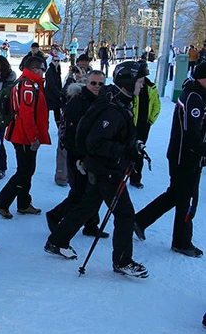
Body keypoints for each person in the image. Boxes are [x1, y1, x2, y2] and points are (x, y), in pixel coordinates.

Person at [44, 61, 149, 279]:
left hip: (103, 167)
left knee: (88, 205)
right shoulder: (113, 109)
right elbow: (96, 142)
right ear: (129, 82)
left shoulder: (119, 101)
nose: (142, 85)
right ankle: (123, 261)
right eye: (140, 81)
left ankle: (56, 240)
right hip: (107, 169)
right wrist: (124, 152)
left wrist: (131, 146)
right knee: (125, 213)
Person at [134, 62, 206, 258]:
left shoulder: (197, 95)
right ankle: (181, 241)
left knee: (176, 194)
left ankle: (140, 220)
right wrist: (202, 151)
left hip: (184, 155)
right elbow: (191, 133)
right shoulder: (194, 98)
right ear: (201, 78)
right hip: (186, 157)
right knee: (187, 198)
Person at [46, 70, 109, 238]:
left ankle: (91, 225)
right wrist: (78, 156)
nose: (96, 87)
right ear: (86, 83)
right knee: (80, 192)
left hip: (93, 153)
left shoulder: (103, 100)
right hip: (78, 154)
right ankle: (55, 215)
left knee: (93, 192)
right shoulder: (77, 102)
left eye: (100, 84)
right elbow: (71, 133)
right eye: (93, 83)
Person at [0, 56, 50, 219]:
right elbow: (26, 114)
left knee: (27, 170)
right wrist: (33, 137)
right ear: (35, 69)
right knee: (25, 171)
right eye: (42, 69)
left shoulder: (28, 82)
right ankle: (2, 202)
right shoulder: (28, 85)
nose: (43, 72)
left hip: (22, 133)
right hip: (23, 135)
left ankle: (24, 203)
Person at [129, 61, 161, 189]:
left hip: (143, 125)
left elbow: (156, 105)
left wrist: (150, 120)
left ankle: (135, 178)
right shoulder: (131, 86)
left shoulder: (151, 87)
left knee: (139, 152)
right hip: (130, 124)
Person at [45, 55, 67, 187]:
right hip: (51, 96)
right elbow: (52, 86)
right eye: (55, 61)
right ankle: (46, 130)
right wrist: (59, 95)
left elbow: (58, 83)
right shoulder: (49, 71)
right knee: (50, 115)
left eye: (58, 61)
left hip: (56, 96)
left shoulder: (57, 70)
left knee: (58, 116)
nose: (57, 63)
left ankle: (59, 128)